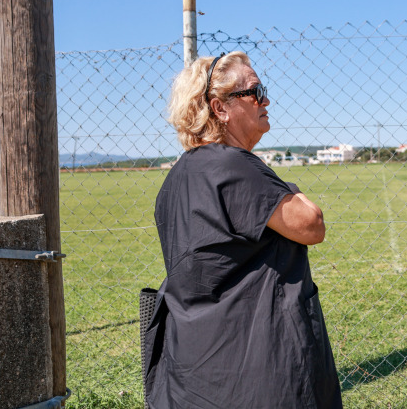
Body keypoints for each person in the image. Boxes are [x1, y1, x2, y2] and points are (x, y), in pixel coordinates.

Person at [143, 51, 342, 408]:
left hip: (195, 369)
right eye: (255, 91)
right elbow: (312, 224)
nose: (266, 99)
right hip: (257, 370)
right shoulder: (235, 166)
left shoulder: (176, 178)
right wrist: (287, 187)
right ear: (220, 109)